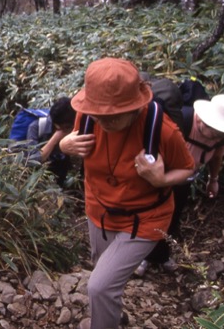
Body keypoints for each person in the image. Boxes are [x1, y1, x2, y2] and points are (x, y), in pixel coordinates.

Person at [59, 58, 194, 329]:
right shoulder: (87, 115)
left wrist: (162, 178)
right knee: (103, 274)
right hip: (98, 209)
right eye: (99, 114)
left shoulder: (162, 130)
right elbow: (73, 140)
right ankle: (112, 314)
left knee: (98, 286)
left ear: (135, 107)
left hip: (145, 218)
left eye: (114, 115)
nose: (104, 120)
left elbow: (187, 169)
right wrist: (64, 145)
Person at [136, 93, 224, 276]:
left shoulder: (221, 136)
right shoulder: (182, 121)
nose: (218, 136)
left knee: (172, 218)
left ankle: (160, 256)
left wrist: (213, 180)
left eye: (223, 133)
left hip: (183, 180)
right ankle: (138, 257)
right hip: (158, 176)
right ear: (205, 120)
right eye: (217, 131)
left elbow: (217, 156)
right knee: (150, 215)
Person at [29, 97, 77, 186]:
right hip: (39, 179)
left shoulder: (74, 127)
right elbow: (32, 161)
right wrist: (55, 139)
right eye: (67, 127)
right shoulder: (36, 127)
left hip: (62, 174)